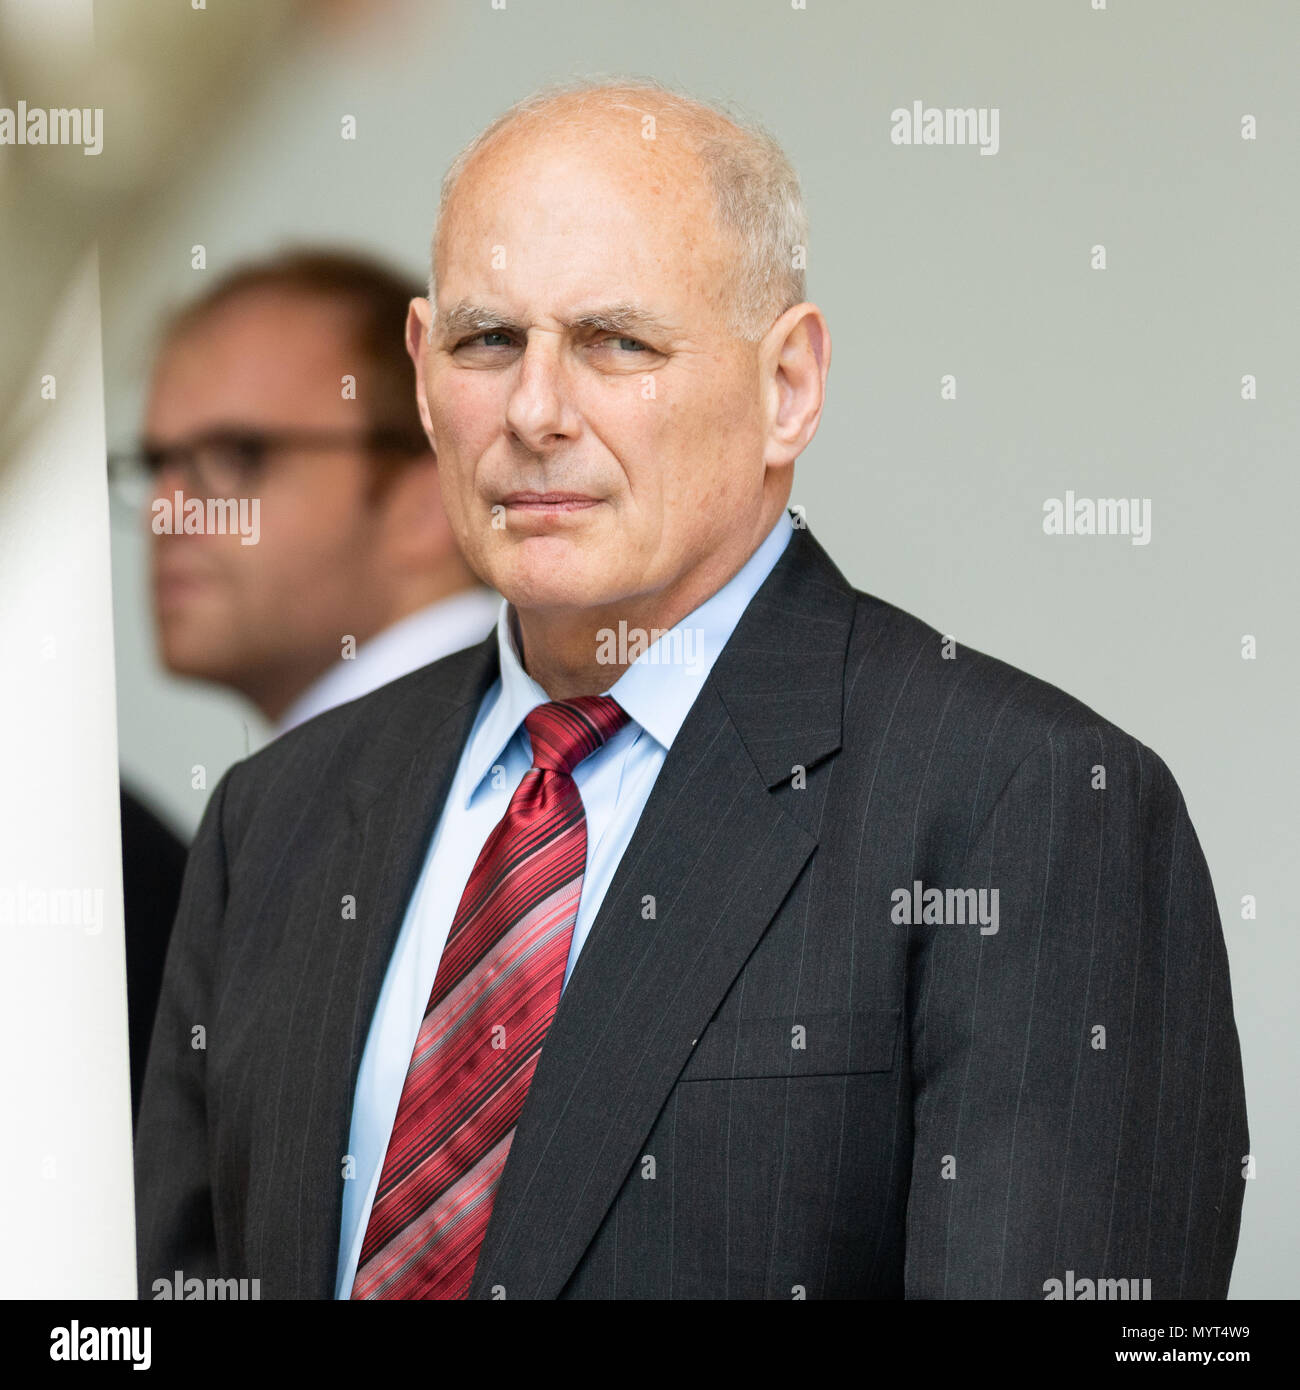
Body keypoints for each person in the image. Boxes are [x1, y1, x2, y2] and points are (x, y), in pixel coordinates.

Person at [134, 78, 1248, 1301]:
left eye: (618, 343)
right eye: (487, 341)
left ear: (788, 387)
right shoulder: (276, 816)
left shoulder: (1031, 806)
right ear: (419, 371)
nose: (536, 411)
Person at [134, 248, 500, 735]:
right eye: (157, 465)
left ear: (430, 502)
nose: (162, 512)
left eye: (234, 457)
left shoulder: (532, 763)